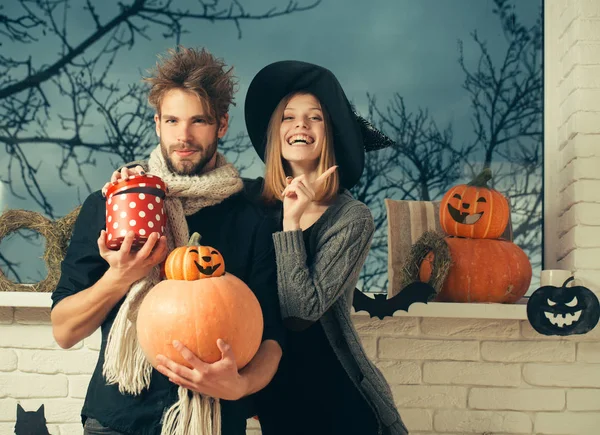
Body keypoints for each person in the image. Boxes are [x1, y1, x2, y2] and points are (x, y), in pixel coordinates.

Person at [50, 46, 284, 435]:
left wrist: (241, 384)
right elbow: (64, 330)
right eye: (172, 120)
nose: (184, 136)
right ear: (157, 123)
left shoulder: (251, 216)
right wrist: (120, 277)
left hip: (213, 422)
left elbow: (272, 338)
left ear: (221, 125)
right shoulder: (115, 202)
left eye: (199, 121)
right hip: (116, 419)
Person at [242, 60, 409, 435]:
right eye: (288, 116)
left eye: (314, 117)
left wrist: (291, 223)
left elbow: (301, 312)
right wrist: (140, 179)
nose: (300, 124)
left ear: (328, 132)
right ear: (276, 132)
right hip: (276, 395)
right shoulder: (252, 204)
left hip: (335, 398)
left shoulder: (351, 217)